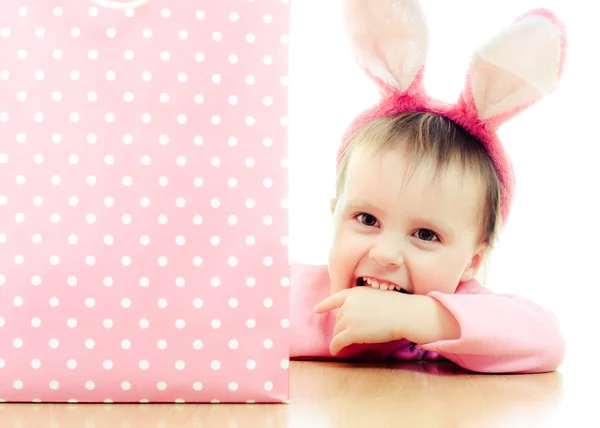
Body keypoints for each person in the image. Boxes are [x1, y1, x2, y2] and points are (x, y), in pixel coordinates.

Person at [289, 0, 567, 373]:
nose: (386, 253)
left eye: (425, 234)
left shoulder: (463, 310)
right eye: (367, 219)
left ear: (472, 262)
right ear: (334, 216)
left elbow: (547, 340)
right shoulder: (303, 297)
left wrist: (419, 317)